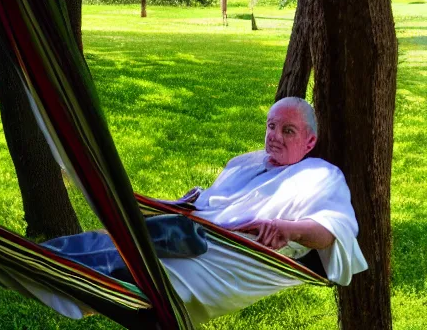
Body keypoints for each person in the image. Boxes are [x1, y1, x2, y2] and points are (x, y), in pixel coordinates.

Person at [40, 97, 368, 325]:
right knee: (115, 240)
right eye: (271, 126)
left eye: (288, 131)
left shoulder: (320, 175)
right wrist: (183, 205)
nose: (274, 137)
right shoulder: (248, 161)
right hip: (198, 227)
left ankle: (60, 269)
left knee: (137, 250)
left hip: (231, 250)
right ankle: (44, 258)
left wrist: (287, 228)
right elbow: (212, 200)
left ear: (309, 142)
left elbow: (332, 229)